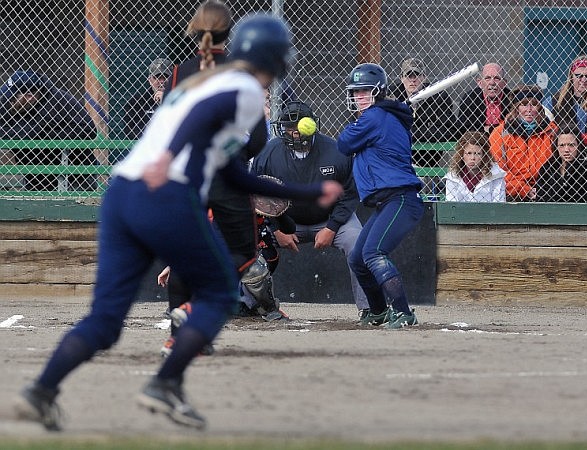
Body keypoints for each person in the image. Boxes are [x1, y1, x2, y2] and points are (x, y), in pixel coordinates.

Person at [12, 14, 343, 431]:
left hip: (122, 194)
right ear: (274, 59)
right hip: (164, 193)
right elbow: (204, 116)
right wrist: (170, 157)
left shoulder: (193, 82)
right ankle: (166, 383)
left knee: (106, 320)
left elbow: (231, 174)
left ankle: (41, 392)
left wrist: (307, 193)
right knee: (222, 290)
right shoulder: (240, 85)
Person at [156, 0, 285, 359]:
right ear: (231, 35)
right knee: (242, 255)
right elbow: (258, 136)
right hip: (228, 177)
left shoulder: (180, 73)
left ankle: (178, 332)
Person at [251, 100, 370, 317]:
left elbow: (350, 194)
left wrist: (332, 227)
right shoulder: (268, 153)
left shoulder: (336, 151)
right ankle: (248, 304)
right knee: (244, 240)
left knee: (358, 243)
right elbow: (257, 197)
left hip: (329, 219)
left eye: (299, 127)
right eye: (289, 127)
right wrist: (276, 228)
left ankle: (369, 309)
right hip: (284, 223)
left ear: (312, 125)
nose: (294, 132)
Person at [337, 63, 424, 329]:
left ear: (379, 92)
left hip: (400, 199)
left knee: (373, 252)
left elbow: (343, 143)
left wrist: (382, 110)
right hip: (386, 202)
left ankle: (403, 312)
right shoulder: (382, 115)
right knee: (358, 258)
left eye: (366, 91)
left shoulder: (375, 117)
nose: (360, 96)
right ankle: (377, 311)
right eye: (356, 92)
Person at [0, 69, 98, 191]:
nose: (9, 101)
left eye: (13, 98)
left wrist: (45, 134)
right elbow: (10, 134)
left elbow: (89, 129)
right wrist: (33, 131)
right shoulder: (5, 102)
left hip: (75, 174)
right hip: (35, 177)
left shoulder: (59, 99)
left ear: (30, 96)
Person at [489, 85, 557, 201]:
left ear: (540, 108)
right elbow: (498, 170)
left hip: (547, 189)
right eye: (524, 104)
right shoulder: (500, 133)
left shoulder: (552, 131)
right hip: (511, 192)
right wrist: (523, 189)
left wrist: (543, 189)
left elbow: (558, 164)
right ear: (516, 108)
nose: (529, 109)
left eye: (534, 104)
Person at [389, 57, 456, 166]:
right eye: (408, 76)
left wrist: (405, 132)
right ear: (401, 78)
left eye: (417, 75)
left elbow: (449, 130)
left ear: (424, 77)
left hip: (427, 160)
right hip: (397, 159)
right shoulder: (393, 96)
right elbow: (387, 128)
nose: (413, 80)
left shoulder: (437, 96)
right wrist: (427, 130)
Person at [543, 55, 587, 146]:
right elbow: (544, 127)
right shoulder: (555, 100)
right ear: (571, 76)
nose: (583, 80)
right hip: (564, 151)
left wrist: (582, 138)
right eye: (579, 76)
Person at [535, 130, 587, 203]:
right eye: (562, 145)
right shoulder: (547, 168)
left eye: (571, 145)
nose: (566, 150)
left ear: (579, 146)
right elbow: (540, 197)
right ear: (556, 147)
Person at [443, 131, 506, 202]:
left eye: (477, 154)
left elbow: (499, 205)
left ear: (484, 156)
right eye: (469, 153)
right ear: (462, 155)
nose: (472, 158)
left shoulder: (496, 176)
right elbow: (451, 206)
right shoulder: (453, 177)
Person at [124, 58, 173, 139]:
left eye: (165, 77)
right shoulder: (136, 102)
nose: (161, 81)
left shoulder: (180, 100)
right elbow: (130, 131)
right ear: (149, 80)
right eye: (157, 77)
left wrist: (165, 101)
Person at [457, 62, 511, 134]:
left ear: (504, 83)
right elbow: (465, 128)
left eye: (497, 78)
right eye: (487, 78)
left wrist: (489, 129)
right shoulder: (470, 98)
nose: (492, 83)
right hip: (478, 141)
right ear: (480, 83)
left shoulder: (512, 98)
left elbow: (513, 127)